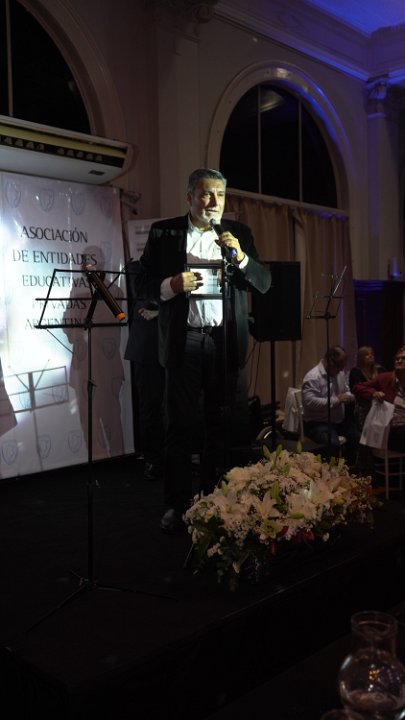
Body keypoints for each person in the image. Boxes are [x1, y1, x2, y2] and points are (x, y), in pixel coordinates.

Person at [140, 167, 272, 533]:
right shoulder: (164, 233)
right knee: (179, 426)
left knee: (221, 425)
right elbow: (142, 283)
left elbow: (263, 282)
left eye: (220, 195)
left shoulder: (239, 234)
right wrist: (171, 284)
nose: (214, 201)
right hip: (184, 340)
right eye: (205, 194)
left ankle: (216, 499)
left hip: (224, 342)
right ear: (189, 197)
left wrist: (240, 257)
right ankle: (177, 503)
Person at [124, 261, 165, 481]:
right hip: (147, 348)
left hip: (171, 347)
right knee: (150, 406)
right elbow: (141, 293)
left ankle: (169, 457)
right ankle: (153, 459)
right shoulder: (139, 268)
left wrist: (161, 310)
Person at [301, 345, 360, 467]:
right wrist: (336, 400)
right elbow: (310, 403)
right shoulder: (313, 377)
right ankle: (331, 473)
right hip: (317, 423)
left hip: (338, 422)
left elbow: (345, 390)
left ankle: (348, 470)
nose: (341, 370)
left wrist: (349, 396)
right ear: (330, 360)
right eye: (339, 366)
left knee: (357, 437)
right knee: (332, 444)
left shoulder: (339, 373)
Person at [353, 345, 405, 452]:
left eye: (403, 359)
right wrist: (374, 393)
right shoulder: (385, 378)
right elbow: (357, 387)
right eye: (397, 359)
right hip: (391, 430)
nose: (399, 361)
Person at [349, 346, 385, 430]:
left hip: (380, 404)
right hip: (363, 407)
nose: (370, 356)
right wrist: (373, 392)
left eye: (372, 354)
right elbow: (355, 388)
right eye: (367, 354)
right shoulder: (356, 371)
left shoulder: (380, 369)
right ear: (361, 357)